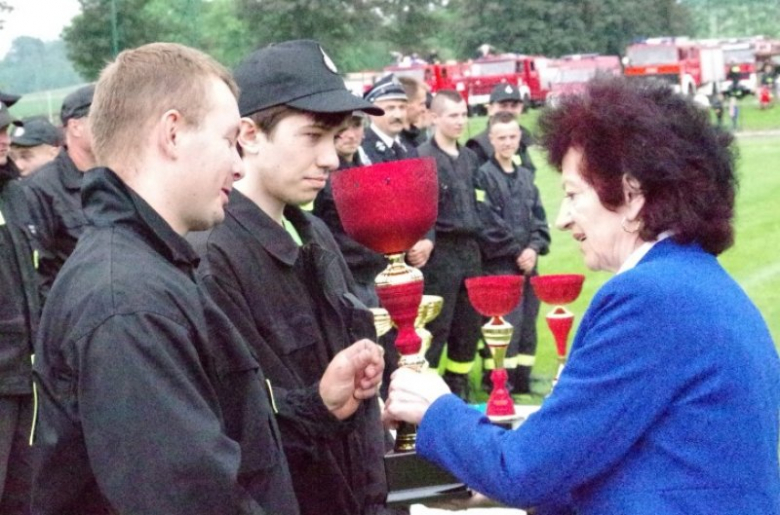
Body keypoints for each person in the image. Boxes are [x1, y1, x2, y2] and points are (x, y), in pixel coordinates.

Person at [383, 77, 780, 514]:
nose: (562, 218)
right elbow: (624, 459)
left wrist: (436, 407)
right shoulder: (699, 284)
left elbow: (526, 471)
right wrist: (478, 477)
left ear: (631, 194)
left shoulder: (651, 297)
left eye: (573, 194)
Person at [31, 42, 385, 515]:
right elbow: (189, 497)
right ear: (173, 134)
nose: (238, 165)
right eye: (226, 140)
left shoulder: (156, 271)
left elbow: (230, 436)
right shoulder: (129, 302)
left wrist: (316, 409)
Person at [190, 40, 390, 515]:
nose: (331, 158)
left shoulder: (313, 232)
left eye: (336, 136)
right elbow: (236, 428)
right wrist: (317, 405)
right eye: (313, 136)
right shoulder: (213, 256)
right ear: (250, 134)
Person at [475, 111, 550, 395]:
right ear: (491, 139)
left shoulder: (526, 177)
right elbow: (488, 222)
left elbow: (539, 218)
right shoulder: (483, 177)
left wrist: (533, 248)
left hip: (529, 266)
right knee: (507, 327)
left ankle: (522, 381)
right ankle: (497, 382)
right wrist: (518, 251)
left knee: (528, 325)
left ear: (520, 138)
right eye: (502, 137)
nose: (508, 142)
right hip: (500, 266)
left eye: (513, 136)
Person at [417, 90, 485, 399]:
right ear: (434, 117)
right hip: (440, 253)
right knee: (437, 326)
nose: (460, 121)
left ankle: (459, 386)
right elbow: (420, 210)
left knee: (468, 325)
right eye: (453, 115)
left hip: (471, 251)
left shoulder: (471, 158)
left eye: (463, 114)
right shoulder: (422, 158)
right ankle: (424, 391)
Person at [0, 92, 39, 515]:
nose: (4, 139)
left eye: (7, 129)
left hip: (25, 377)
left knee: (23, 495)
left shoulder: (16, 195)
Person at [24, 84, 96, 301]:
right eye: (104, 117)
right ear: (75, 127)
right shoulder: (39, 189)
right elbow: (38, 275)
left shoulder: (122, 176)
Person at [313, 112, 387, 308]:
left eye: (356, 126)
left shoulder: (368, 166)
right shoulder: (319, 175)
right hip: (344, 276)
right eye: (342, 128)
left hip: (374, 273)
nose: (350, 135)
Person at [465, 83, 536, 173]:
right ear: (490, 109)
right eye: (503, 105)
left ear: (521, 108)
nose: (509, 110)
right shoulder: (478, 146)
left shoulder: (526, 137)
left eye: (514, 106)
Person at [362, 74, 417, 164]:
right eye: (390, 108)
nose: (398, 115)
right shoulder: (361, 149)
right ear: (372, 111)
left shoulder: (409, 146)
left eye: (402, 107)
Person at [398, 75, 429, 148]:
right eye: (421, 104)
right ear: (406, 104)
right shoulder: (395, 143)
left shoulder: (414, 135)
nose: (424, 109)